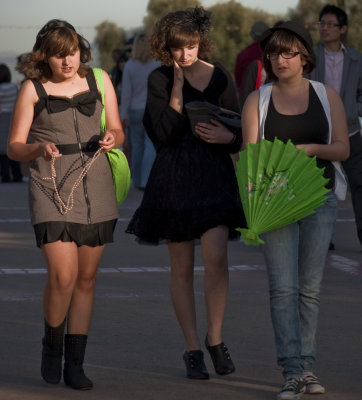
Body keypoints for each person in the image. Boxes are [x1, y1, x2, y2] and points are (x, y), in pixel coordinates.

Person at [126, 7, 245, 380]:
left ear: (200, 43)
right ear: (167, 48)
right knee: (181, 268)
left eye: (191, 46)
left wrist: (229, 137)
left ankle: (216, 338)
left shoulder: (220, 75)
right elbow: (163, 134)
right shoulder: (159, 80)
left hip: (213, 176)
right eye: (178, 48)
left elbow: (240, 126)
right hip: (174, 178)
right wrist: (177, 88)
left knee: (216, 258)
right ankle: (192, 348)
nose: (185, 55)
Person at [7, 19, 124, 390]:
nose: (67, 61)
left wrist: (112, 136)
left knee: (86, 279)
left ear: (80, 49)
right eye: (59, 56)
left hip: (97, 185)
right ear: (46, 57)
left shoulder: (100, 81)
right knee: (63, 276)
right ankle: (51, 344)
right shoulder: (32, 89)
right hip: (50, 185)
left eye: (71, 52)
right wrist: (38, 148)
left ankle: (76, 364)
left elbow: (119, 129)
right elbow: (13, 146)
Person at [242, 21, 349, 399]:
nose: (280, 59)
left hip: (318, 199)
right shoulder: (258, 100)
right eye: (273, 52)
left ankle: (307, 367)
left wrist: (309, 150)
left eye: (289, 52)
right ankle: (291, 370)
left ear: (304, 57)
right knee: (283, 288)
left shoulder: (326, 95)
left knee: (310, 289)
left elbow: (342, 149)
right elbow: (250, 157)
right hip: (275, 202)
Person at [309, 4, 362, 250]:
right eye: (322, 23)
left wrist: (353, 108)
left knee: (360, 186)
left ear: (342, 29)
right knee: (318, 187)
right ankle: (322, 238)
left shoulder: (356, 59)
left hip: (351, 132)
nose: (325, 28)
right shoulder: (309, 58)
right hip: (319, 132)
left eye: (331, 24)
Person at [119, 33, 159, 190]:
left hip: (134, 111)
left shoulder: (129, 65)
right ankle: (147, 178)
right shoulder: (157, 64)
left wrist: (123, 115)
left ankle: (136, 180)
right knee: (150, 145)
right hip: (152, 109)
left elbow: (126, 93)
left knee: (136, 145)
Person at [234, 20, 269, 98]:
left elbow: (239, 81)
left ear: (251, 35)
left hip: (246, 99)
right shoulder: (272, 54)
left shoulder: (242, 55)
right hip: (267, 98)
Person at [0, 63, 22, 183]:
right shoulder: (13, 87)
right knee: (13, 145)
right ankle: (17, 175)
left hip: (2, 117)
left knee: (2, 150)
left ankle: (5, 176)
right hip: (13, 117)